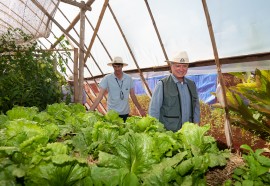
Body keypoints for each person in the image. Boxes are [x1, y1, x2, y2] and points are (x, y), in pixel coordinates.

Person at [148, 51, 200, 132]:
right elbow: (154, 110)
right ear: (171, 66)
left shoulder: (192, 84)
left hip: (188, 132)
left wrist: (196, 126)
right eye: (178, 66)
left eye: (184, 66)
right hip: (169, 133)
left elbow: (196, 107)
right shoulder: (162, 84)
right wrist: (155, 130)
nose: (181, 69)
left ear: (188, 67)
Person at [90, 56, 146, 122]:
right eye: (115, 66)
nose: (117, 69)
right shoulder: (107, 78)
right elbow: (99, 96)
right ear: (113, 66)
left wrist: (140, 109)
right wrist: (90, 111)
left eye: (118, 66)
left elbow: (133, 96)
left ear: (122, 66)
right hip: (112, 113)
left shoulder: (128, 78)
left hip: (125, 112)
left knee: (123, 130)